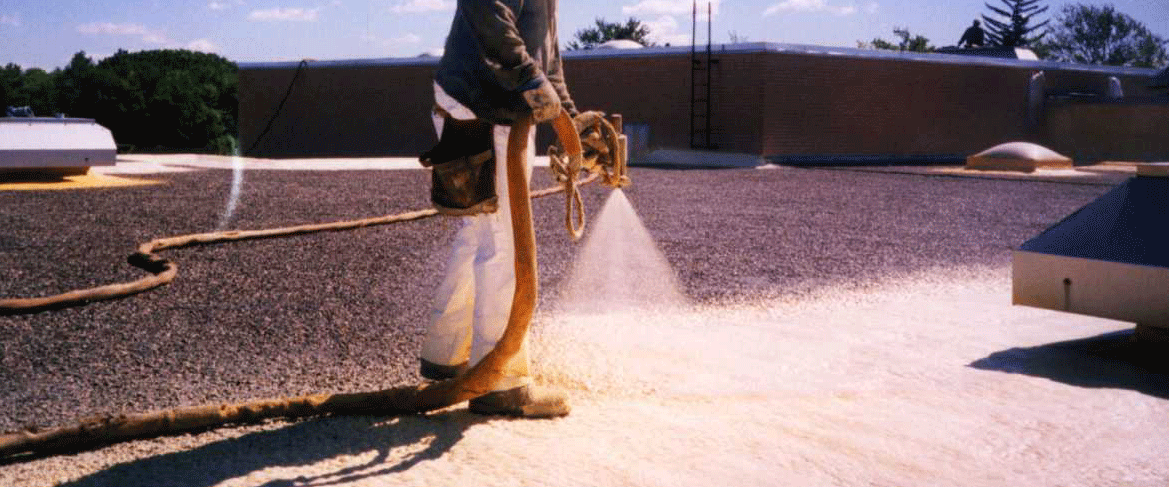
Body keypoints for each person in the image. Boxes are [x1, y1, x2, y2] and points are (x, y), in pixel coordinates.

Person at [418, 0, 577, 418]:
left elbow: (548, 59)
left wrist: (570, 120)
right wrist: (530, 79)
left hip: (483, 100)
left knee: (478, 231)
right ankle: (499, 382)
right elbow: (486, 10)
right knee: (504, 241)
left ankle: (446, 353)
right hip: (483, 103)